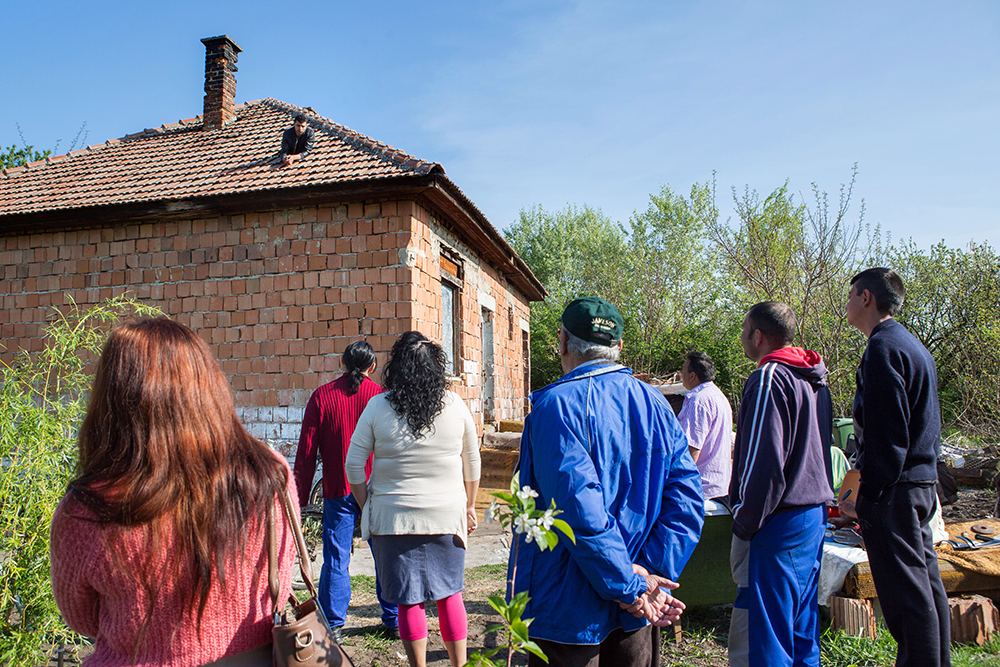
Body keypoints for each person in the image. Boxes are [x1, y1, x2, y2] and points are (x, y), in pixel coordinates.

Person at [50, 318, 297, 665]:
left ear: (113, 395)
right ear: (208, 384)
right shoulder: (269, 473)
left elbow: (82, 619)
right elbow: (278, 587)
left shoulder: (88, 508)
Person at [510, 296, 704, 667]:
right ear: (618, 347)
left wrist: (634, 585)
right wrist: (651, 572)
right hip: (636, 606)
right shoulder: (656, 404)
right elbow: (687, 498)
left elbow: (579, 512)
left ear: (563, 341)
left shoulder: (555, 407)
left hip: (569, 609)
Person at [346, 331, 480, 667]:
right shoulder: (455, 405)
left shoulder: (378, 405)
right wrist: (469, 506)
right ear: (436, 368)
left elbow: (353, 464)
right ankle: (458, 665)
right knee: (451, 596)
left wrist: (368, 507)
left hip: (394, 520)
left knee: (408, 602)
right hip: (446, 517)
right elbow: (473, 461)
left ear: (398, 368)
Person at [839, 268, 951, 667]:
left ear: (867, 297)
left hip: (896, 491)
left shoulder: (883, 349)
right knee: (925, 588)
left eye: (851, 295)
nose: (847, 302)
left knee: (907, 598)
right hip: (920, 484)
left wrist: (867, 496)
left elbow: (888, 435)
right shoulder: (912, 346)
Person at [729, 302, 833, 667]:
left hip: (777, 521)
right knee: (801, 628)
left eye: (744, 332)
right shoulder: (814, 378)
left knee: (769, 634)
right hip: (813, 515)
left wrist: (744, 518)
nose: (743, 338)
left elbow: (764, 461)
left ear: (757, 336)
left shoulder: (770, 378)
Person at [294, 340, 398, 638]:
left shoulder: (322, 397)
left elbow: (306, 454)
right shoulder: (382, 397)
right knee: (384, 553)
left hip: (338, 488)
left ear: (343, 363)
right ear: (373, 367)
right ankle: (393, 620)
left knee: (337, 556)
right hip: (375, 489)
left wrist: (299, 498)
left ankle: (335, 625)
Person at [677, 350, 734, 503]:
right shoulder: (720, 397)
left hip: (701, 490)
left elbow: (690, 451)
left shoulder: (697, 401)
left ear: (692, 375)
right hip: (721, 487)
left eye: (682, 371)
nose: (681, 375)